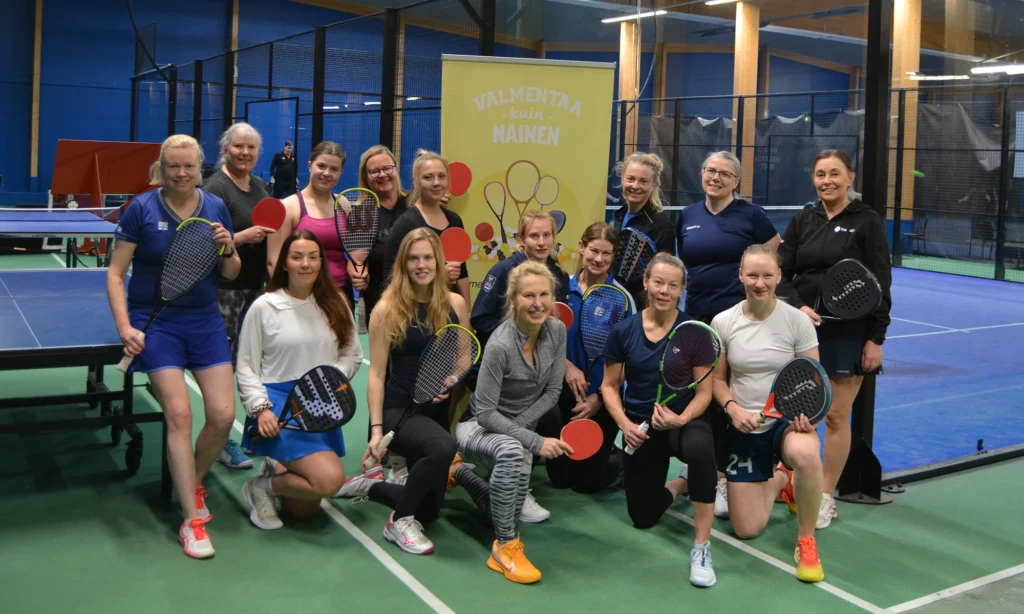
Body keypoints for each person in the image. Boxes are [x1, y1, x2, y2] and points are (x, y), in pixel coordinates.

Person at [106, 134, 240, 559]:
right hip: (157, 322)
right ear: (161, 169)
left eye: (189, 167)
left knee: (222, 416)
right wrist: (125, 325)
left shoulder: (215, 206)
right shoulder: (141, 209)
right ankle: (191, 520)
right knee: (179, 415)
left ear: (201, 167)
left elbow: (232, 272)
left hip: (204, 321)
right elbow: (114, 274)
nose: (181, 174)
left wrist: (228, 246)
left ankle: (190, 481)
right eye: (173, 167)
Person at [776, 149, 892, 529]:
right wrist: (798, 308)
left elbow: (879, 280)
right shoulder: (802, 219)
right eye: (821, 174)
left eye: (835, 174)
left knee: (838, 416)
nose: (827, 180)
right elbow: (781, 272)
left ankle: (824, 495)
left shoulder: (867, 221)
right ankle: (793, 483)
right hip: (799, 327)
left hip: (848, 332)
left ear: (850, 178)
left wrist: (876, 338)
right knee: (794, 411)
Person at [333, 229, 468, 555]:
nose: (421, 265)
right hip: (399, 409)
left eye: (427, 257)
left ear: (437, 260)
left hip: (434, 410)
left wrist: (452, 378)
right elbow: (377, 374)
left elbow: (464, 357)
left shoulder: (456, 303)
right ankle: (399, 520)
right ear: (403, 264)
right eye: (413, 258)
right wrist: (377, 430)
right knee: (444, 447)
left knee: (430, 511)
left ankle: (372, 486)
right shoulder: (386, 309)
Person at [600, 253, 718, 588]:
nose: (664, 290)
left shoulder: (693, 332)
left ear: (681, 290)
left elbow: (704, 394)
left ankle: (702, 545)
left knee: (699, 446)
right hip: (640, 428)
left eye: (673, 285)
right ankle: (681, 484)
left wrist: (681, 419)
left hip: (682, 421)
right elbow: (609, 386)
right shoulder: (624, 331)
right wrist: (624, 425)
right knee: (642, 516)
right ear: (646, 282)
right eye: (658, 282)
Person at [709, 244, 825, 583]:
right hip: (745, 426)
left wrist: (807, 415)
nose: (760, 283)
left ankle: (806, 540)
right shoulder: (723, 321)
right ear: (741, 275)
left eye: (768, 275)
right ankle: (779, 479)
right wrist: (732, 410)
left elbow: (812, 377)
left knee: (806, 455)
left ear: (778, 277)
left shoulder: (797, 321)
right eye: (753, 275)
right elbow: (718, 380)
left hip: (786, 422)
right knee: (747, 529)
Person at [676, 150, 781, 520]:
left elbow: (771, 259)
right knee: (699, 394)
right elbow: (683, 265)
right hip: (698, 319)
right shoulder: (687, 217)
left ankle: (723, 475)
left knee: (728, 395)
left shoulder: (751, 215)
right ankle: (701, 468)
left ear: (736, 181)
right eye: (709, 171)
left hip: (739, 322)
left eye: (724, 173)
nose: (715, 178)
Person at [450, 261, 570, 585]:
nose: (538, 303)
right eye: (528, 295)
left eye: (544, 294)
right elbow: (486, 414)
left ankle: (457, 471)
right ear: (513, 300)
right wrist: (530, 440)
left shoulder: (557, 331)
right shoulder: (500, 344)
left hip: (513, 431)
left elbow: (553, 391)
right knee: (512, 452)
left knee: (503, 509)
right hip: (477, 426)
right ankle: (504, 548)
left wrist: (520, 431)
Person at [235, 230, 363, 530]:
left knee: (302, 512)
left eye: (312, 257)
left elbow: (352, 355)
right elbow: (246, 366)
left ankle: (277, 469)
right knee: (329, 480)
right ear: (285, 264)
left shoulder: (336, 303)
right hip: (277, 406)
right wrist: (260, 408)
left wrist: (327, 381)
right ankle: (260, 488)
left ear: (321, 263)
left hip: (320, 405)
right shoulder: (264, 306)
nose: (305, 264)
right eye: (296, 257)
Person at [544, 222, 635, 495]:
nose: (598, 259)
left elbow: (629, 359)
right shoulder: (558, 291)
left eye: (606, 254)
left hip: (600, 399)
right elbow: (542, 342)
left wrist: (598, 398)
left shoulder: (622, 299)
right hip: (560, 394)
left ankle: (619, 458)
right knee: (560, 480)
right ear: (581, 248)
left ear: (613, 256)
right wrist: (565, 366)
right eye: (594, 250)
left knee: (588, 485)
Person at [204, 122, 275, 471]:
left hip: (256, 288)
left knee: (254, 362)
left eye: (251, 148)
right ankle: (220, 439)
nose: (245, 153)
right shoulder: (214, 188)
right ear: (226, 149)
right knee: (224, 366)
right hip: (224, 290)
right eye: (238, 147)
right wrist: (242, 237)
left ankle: (253, 431)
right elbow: (203, 241)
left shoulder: (259, 186)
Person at [266, 141, 354, 309]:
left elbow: (351, 251)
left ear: (341, 172)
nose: (326, 173)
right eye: (321, 166)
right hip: (302, 296)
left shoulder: (343, 204)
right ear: (309, 165)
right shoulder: (288, 207)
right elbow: (274, 263)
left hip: (341, 293)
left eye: (334, 169)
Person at [471, 210, 570, 351]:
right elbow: (480, 319)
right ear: (522, 239)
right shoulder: (503, 270)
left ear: (553, 238)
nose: (541, 242)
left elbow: (556, 322)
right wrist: (517, 338)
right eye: (534, 236)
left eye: (546, 235)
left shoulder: (560, 275)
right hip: (502, 357)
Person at [383, 150, 470, 306]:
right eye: (428, 177)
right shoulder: (405, 224)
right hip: (415, 309)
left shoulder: (455, 220)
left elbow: (462, 272)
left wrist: (467, 315)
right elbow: (393, 277)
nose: (436, 183)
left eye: (442, 176)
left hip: (448, 307)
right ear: (415, 181)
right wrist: (438, 275)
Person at [610, 151, 676, 309]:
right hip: (615, 302)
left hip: (642, 309)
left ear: (653, 184)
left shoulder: (660, 224)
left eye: (643, 181)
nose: (635, 186)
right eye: (630, 179)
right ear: (623, 179)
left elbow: (663, 277)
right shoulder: (619, 215)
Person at [353, 145, 409, 320]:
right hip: (378, 302)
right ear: (366, 177)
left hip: (416, 299)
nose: (382, 174)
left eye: (387, 168)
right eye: (375, 171)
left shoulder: (416, 205)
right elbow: (357, 259)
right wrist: (359, 275)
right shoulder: (361, 214)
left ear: (396, 169)